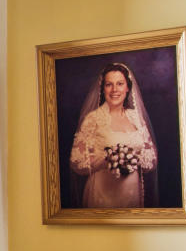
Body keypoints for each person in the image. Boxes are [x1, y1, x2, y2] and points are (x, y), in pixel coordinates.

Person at [66, 60, 157, 209]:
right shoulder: (93, 119)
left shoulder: (136, 118)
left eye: (120, 84)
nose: (115, 89)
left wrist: (131, 158)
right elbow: (77, 161)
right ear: (103, 89)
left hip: (132, 193)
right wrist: (106, 159)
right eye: (109, 84)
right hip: (103, 195)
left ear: (128, 87)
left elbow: (151, 159)